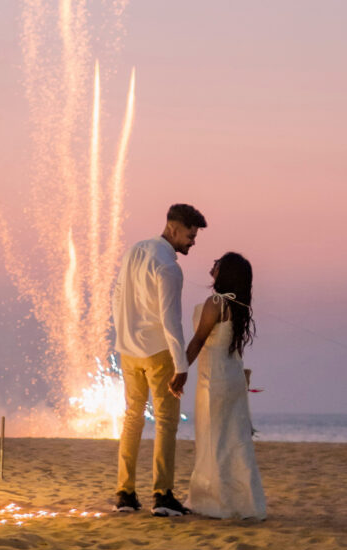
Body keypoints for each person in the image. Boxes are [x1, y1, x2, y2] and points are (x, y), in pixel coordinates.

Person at [112, 203, 207, 516]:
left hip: (128, 350)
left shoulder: (134, 251)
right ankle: (162, 495)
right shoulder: (168, 266)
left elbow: (117, 297)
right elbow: (170, 319)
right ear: (173, 229)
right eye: (190, 236)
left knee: (132, 418)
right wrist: (181, 366)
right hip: (158, 353)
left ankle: (125, 493)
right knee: (166, 423)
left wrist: (123, 336)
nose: (192, 242)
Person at [178, 252, 266, 519]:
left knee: (214, 439)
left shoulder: (216, 302)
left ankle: (215, 502)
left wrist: (180, 370)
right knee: (234, 441)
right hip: (232, 377)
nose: (212, 265)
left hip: (214, 379)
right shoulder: (236, 305)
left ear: (226, 271)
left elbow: (198, 340)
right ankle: (245, 503)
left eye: (217, 263)